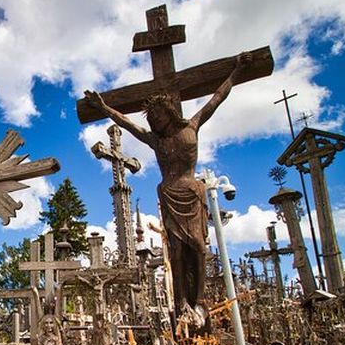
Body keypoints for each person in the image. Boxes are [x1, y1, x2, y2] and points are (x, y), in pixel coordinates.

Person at [83, 53, 251, 326]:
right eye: (153, 120)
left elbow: (216, 99)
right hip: (169, 193)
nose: (155, 122)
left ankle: (199, 300)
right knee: (175, 253)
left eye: (159, 116)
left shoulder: (191, 127)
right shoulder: (155, 140)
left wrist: (237, 71)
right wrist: (103, 107)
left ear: (169, 111)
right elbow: (126, 123)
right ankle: (182, 301)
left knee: (197, 246)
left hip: (192, 192)